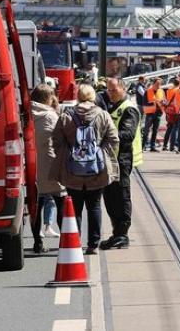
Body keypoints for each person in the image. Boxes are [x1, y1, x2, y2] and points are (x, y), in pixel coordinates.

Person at [51, 83, 119, 255]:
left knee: (75, 207)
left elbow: (56, 139)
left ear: (78, 97)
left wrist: (68, 153)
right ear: (93, 97)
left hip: (72, 170)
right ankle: (93, 245)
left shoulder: (67, 115)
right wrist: (101, 153)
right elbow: (114, 139)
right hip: (97, 170)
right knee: (94, 206)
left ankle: (76, 242)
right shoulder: (102, 115)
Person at [101, 79, 142, 250]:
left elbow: (127, 135)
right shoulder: (112, 106)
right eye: (108, 90)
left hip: (122, 159)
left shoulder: (129, 108)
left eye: (114, 90)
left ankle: (123, 235)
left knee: (121, 196)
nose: (110, 93)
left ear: (123, 89)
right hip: (111, 159)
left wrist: (104, 135)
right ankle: (116, 232)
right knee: (110, 197)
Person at [29, 84, 64, 253]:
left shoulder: (26, 114)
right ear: (48, 98)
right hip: (51, 164)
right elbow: (60, 139)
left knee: (36, 206)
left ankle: (38, 243)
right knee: (60, 201)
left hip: (32, 165)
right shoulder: (50, 115)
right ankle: (66, 241)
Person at [142, 77, 165, 152]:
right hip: (150, 113)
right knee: (146, 130)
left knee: (155, 131)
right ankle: (142, 146)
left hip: (158, 113)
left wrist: (163, 102)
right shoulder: (148, 91)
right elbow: (144, 103)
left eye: (160, 84)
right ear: (153, 84)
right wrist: (155, 101)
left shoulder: (161, 91)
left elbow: (164, 100)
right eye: (157, 84)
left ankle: (152, 147)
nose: (159, 86)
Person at [162, 78, 180, 152]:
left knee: (169, 128)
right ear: (179, 83)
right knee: (175, 128)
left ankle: (164, 145)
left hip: (169, 111)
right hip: (176, 111)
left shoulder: (169, 90)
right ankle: (172, 146)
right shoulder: (178, 91)